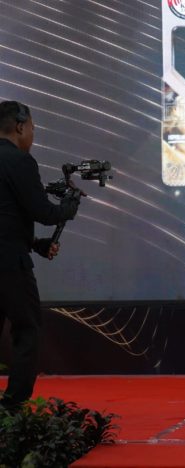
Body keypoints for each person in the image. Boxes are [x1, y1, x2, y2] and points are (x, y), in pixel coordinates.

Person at [0, 101, 79, 411]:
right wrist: (69, 207)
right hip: (10, 265)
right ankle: (13, 408)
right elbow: (43, 212)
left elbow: (7, 216)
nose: (33, 134)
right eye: (32, 127)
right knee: (27, 329)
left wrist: (35, 243)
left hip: (11, 252)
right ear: (20, 126)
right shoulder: (19, 161)